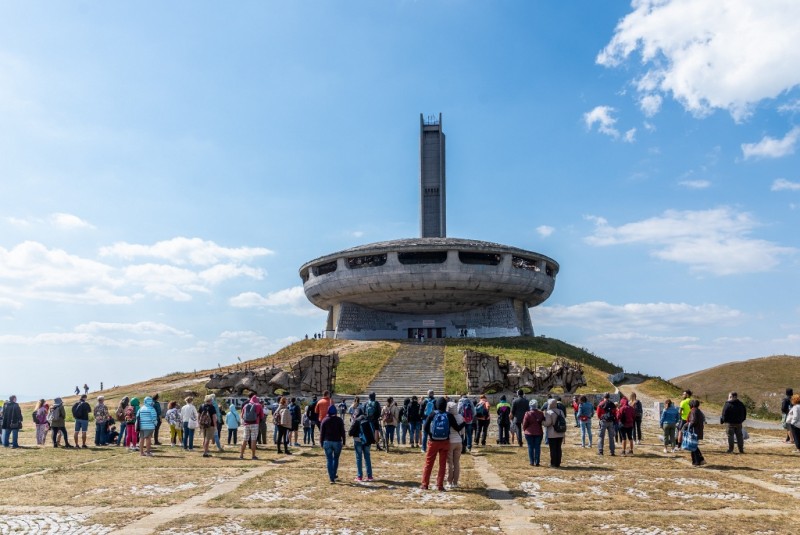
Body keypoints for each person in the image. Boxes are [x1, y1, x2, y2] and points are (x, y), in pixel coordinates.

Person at [421, 397, 464, 491]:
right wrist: (464, 423)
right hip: (445, 442)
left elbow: (425, 427)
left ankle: (425, 484)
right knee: (442, 464)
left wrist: (431, 435)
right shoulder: (448, 415)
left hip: (433, 442)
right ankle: (440, 485)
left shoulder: (433, 414)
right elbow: (457, 428)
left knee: (429, 463)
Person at [320, 405, 346, 484]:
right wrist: (344, 441)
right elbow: (343, 432)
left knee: (329, 459)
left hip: (327, 441)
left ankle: (331, 478)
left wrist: (321, 442)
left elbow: (322, 433)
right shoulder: (339, 420)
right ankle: (334, 474)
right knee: (336, 458)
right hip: (337, 441)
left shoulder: (325, 420)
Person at [350, 402, 374, 482]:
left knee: (359, 458)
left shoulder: (357, 420)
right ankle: (369, 476)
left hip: (358, 440)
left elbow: (350, 432)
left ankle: (360, 476)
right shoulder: (367, 419)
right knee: (367, 457)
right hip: (367, 441)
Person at [542, 398, 566, 468]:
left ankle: (553, 463)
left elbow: (548, 423)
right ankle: (558, 463)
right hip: (560, 432)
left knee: (553, 449)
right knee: (558, 448)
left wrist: (542, 422)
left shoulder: (549, 412)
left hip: (552, 433)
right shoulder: (561, 411)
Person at [445, 401, 464, 489]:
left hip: (450, 441)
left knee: (449, 463)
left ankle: (449, 482)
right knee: (456, 463)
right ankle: (455, 482)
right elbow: (462, 431)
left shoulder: (447, 417)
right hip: (459, 441)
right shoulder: (460, 417)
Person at [239, 395, 264, 460]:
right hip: (255, 424)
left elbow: (242, 415)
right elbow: (262, 416)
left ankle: (241, 455)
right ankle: (253, 456)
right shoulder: (259, 405)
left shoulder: (245, 405)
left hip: (246, 424)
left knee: (245, 439)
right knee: (253, 439)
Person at [522, 399, 545, 466]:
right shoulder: (541, 413)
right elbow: (543, 421)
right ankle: (537, 461)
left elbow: (524, 424)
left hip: (529, 433)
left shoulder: (527, 414)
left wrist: (525, 430)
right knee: (537, 447)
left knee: (530, 447)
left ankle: (531, 461)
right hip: (538, 432)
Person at [686, 399, 706, 466]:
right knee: (694, 446)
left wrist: (687, 425)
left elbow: (693, 421)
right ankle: (699, 460)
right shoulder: (698, 411)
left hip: (694, 431)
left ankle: (697, 461)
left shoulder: (693, 411)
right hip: (698, 430)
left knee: (693, 447)